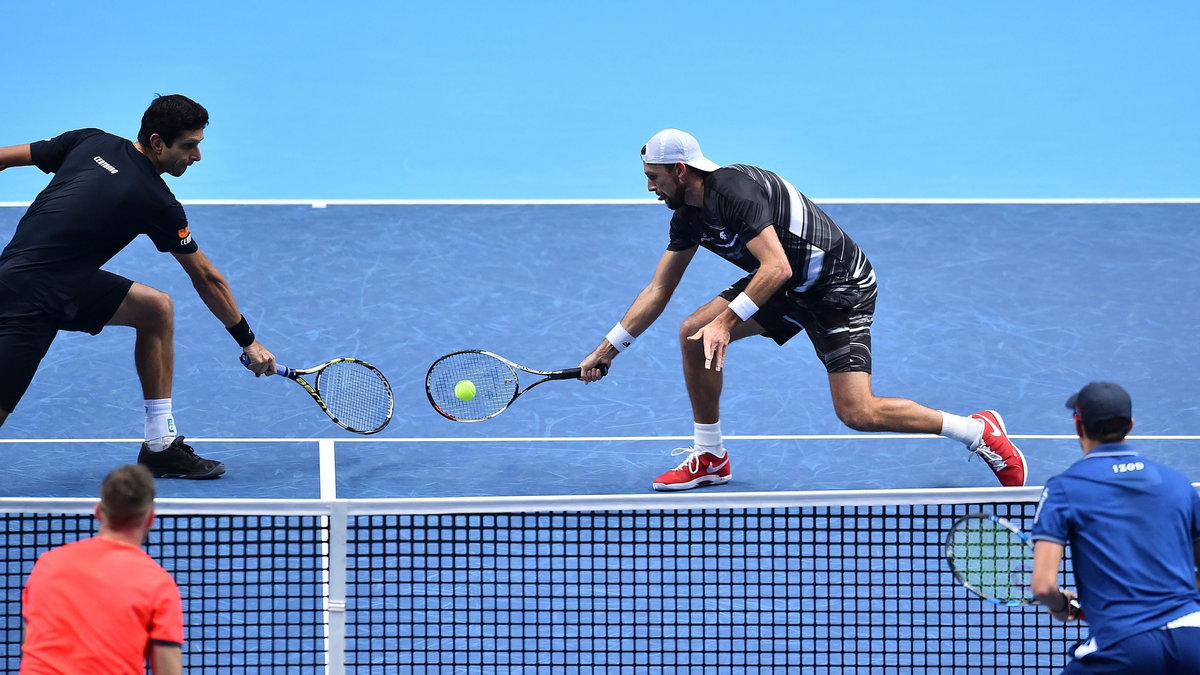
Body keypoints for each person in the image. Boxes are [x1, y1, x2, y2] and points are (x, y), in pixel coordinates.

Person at [578, 128, 1026, 491]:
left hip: (837, 289)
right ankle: (710, 456)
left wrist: (727, 321)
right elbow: (658, 288)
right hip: (783, 284)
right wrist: (608, 349)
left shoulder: (734, 191)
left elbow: (776, 266)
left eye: (654, 176)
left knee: (858, 413)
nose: (649, 187)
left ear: (680, 170)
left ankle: (976, 431)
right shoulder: (688, 215)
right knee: (695, 333)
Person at [0, 94, 277, 478]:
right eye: (189, 146)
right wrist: (248, 341)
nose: (197, 156)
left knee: (155, 309)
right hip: (28, 300)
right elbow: (206, 277)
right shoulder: (155, 200)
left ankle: (160, 445)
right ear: (157, 142)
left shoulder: (90, 141)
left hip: (61, 280)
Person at [1030, 382, 1200, 673]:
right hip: (1193, 638)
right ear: (1130, 425)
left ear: (1078, 426)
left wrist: (1061, 606)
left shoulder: (1063, 489)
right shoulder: (1179, 484)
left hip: (1124, 646)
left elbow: (1043, 586)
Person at [21, 464, 184, 674]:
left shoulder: (47, 564)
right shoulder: (158, 585)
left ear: (98, 512)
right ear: (150, 518)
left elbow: (30, 647)